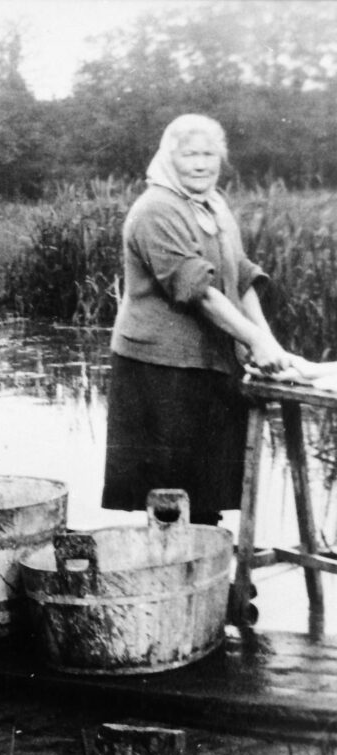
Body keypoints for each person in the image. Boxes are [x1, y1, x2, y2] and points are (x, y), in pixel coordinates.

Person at [102, 114, 294, 525]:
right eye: (190, 154)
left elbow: (238, 274)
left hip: (208, 360)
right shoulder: (156, 209)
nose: (201, 164)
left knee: (207, 485)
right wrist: (254, 342)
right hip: (159, 368)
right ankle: (176, 578)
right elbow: (200, 291)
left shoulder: (214, 204)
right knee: (171, 491)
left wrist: (266, 340)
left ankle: (209, 574)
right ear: (169, 157)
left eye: (210, 155)